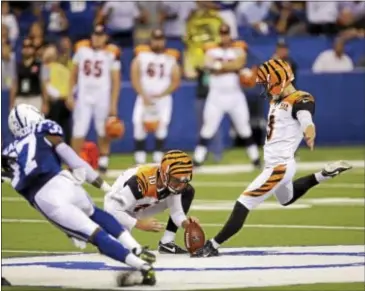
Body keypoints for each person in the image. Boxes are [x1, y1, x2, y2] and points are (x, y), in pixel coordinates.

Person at [192, 59, 352, 257]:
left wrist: (309, 131)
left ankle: (212, 245)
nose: (266, 89)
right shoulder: (276, 100)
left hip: (279, 167)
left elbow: (305, 118)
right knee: (287, 199)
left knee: (243, 203)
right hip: (280, 164)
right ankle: (323, 175)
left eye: (267, 84)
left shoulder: (301, 99)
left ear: (279, 81)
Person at [3, 104, 156, 286]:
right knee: (95, 213)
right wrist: (104, 186)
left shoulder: (8, 151)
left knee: (95, 235)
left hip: (45, 197)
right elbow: (72, 158)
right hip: (64, 181)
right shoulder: (44, 131)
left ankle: (142, 266)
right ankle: (135, 247)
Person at [104, 150, 199, 254]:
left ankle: (167, 242)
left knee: (188, 191)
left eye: (184, 180)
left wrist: (186, 224)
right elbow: (112, 209)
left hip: (141, 205)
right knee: (115, 248)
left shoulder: (171, 182)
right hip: (119, 208)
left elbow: (176, 212)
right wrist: (138, 224)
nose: (181, 185)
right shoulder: (141, 182)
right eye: (176, 180)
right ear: (164, 175)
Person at [193, 23, 260, 168]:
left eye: (226, 33)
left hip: (235, 96)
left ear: (230, 34)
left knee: (244, 128)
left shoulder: (238, 48)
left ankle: (255, 159)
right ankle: (197, 160)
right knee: (208, 128)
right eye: (222, 33)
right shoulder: (211, 50)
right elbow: (208, 65)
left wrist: (220, 66)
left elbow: (239, 63)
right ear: (219, 35)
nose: (224, 36)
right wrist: (229, 66)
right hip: (216, 96)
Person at [67, 24, 121, 173]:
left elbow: (116, 80)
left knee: (103, 130)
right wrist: (70, 94)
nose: (97, 38)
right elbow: (73, 74)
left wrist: (113, 103)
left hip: (102, 96)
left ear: (106, 37)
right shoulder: (81, 49)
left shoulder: (112, 53)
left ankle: (103, 161)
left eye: (101, 35)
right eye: (95, 35)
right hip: (83, 96)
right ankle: (73, 163)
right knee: (79, 130)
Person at [130, 29, 181, 164]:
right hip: (144, 97)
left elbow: (176, 80)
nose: (158, 42)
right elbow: (134, 76)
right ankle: (139, 159)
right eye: (155, 39)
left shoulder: (171, 58)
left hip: (163, 98)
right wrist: (143, 94)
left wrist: (162, 94)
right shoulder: (141, 55)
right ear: (151, 40)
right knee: (138, 125)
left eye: (160, 39)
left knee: (162, 125)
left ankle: (158, 158)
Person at [10, 38, 48, 114]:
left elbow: (43, 85)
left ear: (34, 49)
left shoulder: (40, 65)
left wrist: (45, 103)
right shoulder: (17, 66)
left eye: (30, 46)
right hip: (20, 99)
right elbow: (14, 84)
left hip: (35, 98)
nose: (27, 49)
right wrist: (12, 103)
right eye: (24, 46)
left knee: (35, 124)